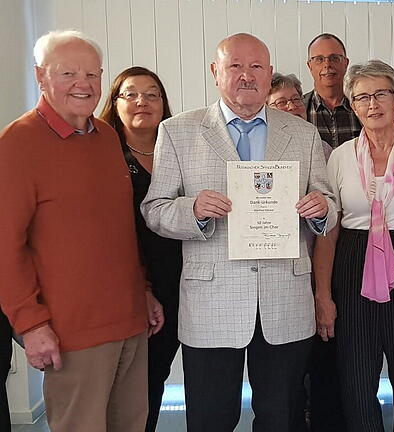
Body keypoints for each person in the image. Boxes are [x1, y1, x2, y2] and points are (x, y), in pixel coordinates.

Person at [141, 33, 336, 432]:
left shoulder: (301, 133)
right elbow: (154, 210)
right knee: (211, 419)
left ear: (269, 75)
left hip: (284, 302)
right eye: (235, 66)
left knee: (281, 418)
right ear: (216, 72)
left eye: (256, 67)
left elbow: (329, 203)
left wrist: (322, 209)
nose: (246, 76)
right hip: (211, 304)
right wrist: (191, 210)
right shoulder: (178, 131)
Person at [0, 30, 163, 432]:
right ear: (40, 76)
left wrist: (142, 289)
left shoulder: (107, 136)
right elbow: (5, 246)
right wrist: (31, 324)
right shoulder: (16, 144)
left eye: (92, 74)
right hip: (70, 331)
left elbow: (120, 229)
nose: (83, 83)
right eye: (68, 72)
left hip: (129, 321)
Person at [313, 59, 394, 432]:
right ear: (353, 105)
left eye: (381, 94)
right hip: (352, 264)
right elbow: (328, 231)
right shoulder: (339, 158)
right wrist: (323, 296)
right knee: (355, 376)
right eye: (362, 97)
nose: (373, 104)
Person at [100, 66, 179, 432]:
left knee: (156, 378)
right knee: (126, 390)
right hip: (129, 287)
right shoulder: (103, 155)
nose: (141, 102)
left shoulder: (179, 148)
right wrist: (143, 289)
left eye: (152, 94)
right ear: (115, 102)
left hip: (182, 283)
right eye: (130, 94)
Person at [267, 71, 340, 432]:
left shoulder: (323, 151)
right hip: (275, 286)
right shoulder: (251, 158)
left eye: (296, 100)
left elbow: (331, 224)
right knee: (285, 386)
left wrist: (321, 291)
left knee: (325, 370)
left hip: (319, 273)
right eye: (281, 102)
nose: (292, 107)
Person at [303, 33, 362, 148]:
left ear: (346, 63)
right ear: (309, 66)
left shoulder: (363, 105)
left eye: (334, 58)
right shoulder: (299, 110)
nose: (327, 64)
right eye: (319, 59)